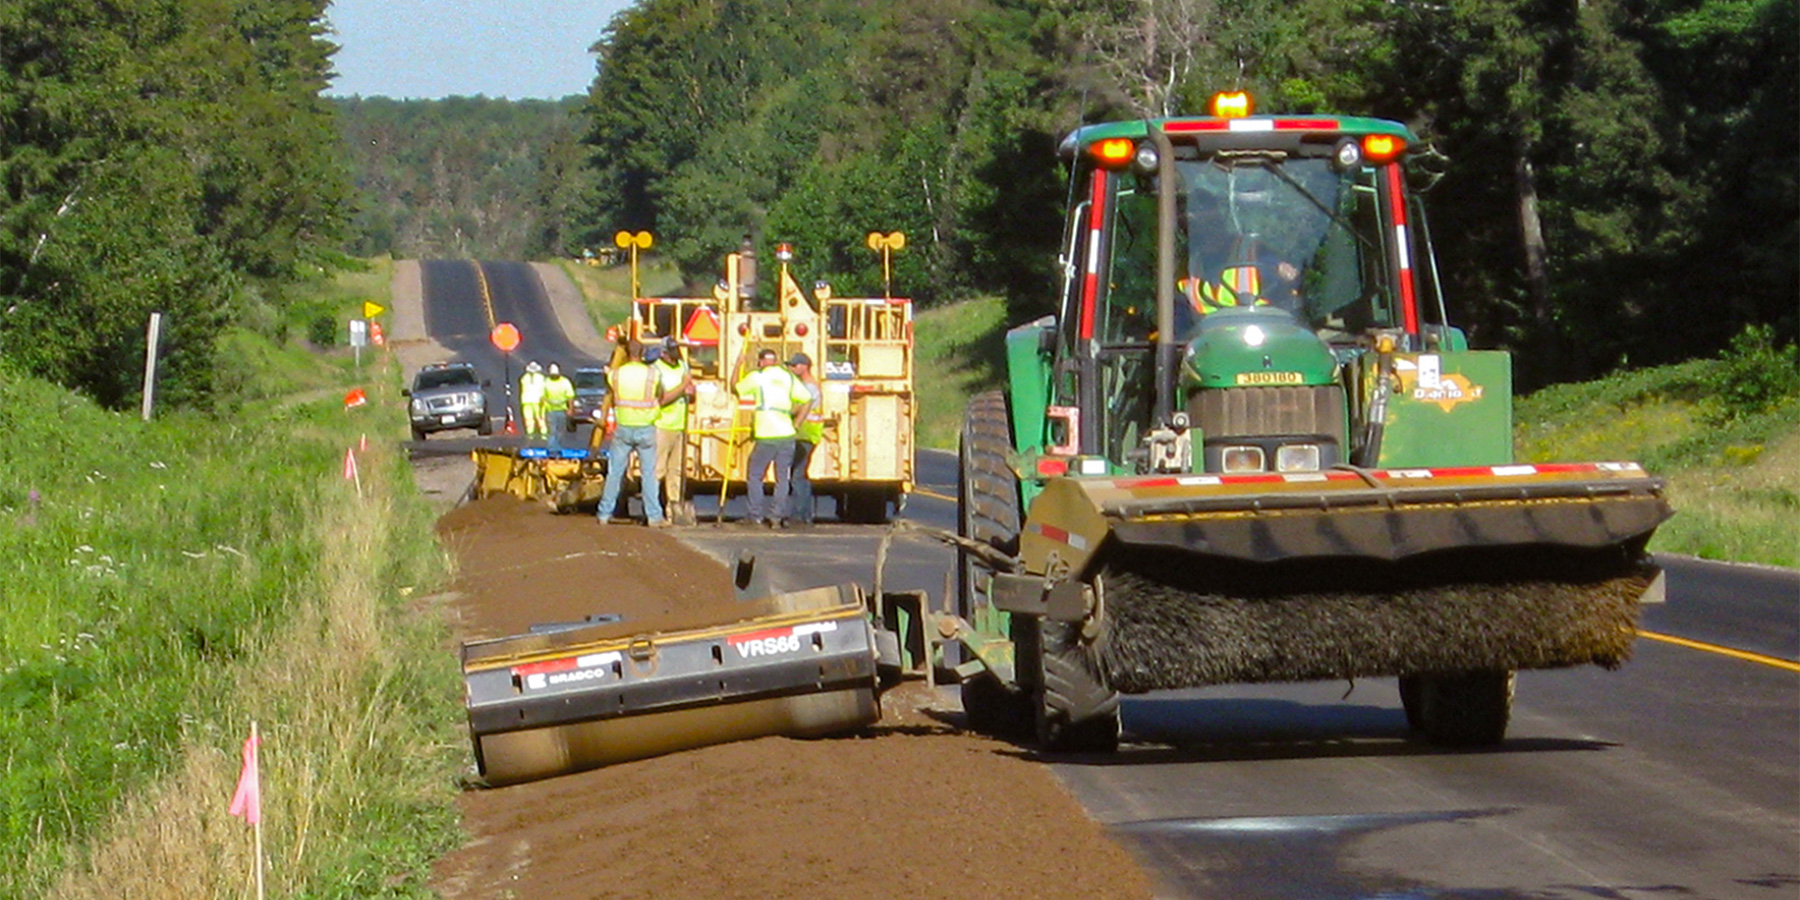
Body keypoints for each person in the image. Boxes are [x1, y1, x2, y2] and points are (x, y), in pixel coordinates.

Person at [734, 348, 811, 527]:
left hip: (766, 434)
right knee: (782, 478)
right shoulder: (788, 377)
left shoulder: (757, 377)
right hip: (787, 434)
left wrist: (738, 365)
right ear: (775, 361)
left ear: (761, 362)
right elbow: (807, 399)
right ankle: (776, 517)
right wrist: (797, 423)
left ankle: (755, 516)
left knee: (755, 475)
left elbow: (735, 388)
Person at [596, 341, 667, 527]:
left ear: (627, 354)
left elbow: (608, 382)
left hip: (623, 427)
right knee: (649, 474)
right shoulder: (653, 374)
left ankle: (604, 513)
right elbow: (661, 394)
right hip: (646, 427)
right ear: (642, 353)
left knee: (615, 473)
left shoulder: (616, 375)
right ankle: (654, 516)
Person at [650, 337, 694, 517]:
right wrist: (683, 386)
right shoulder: (656, 370)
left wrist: (691, 391)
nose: (676, 355)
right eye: (672, 352)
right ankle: (653, 508)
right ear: (663, 353)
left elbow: (690, 391)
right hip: (661, 424)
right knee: (658, 469)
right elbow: (663, 399)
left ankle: (673, 507)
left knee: (676, 471)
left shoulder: (683, 367)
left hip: (679, 425)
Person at [785, 353, 823, 527]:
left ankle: (799, 516)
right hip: (807, 435)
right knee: (801, 475)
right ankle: (805, 515)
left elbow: (800, 408)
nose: (791, 369)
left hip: (805, 435)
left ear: (804, 367)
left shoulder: (809, 388)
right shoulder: (807, 385)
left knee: (797, 476)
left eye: (794, 366)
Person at [542, 362, 575, 453]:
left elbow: (570, 396)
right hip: (550, 411)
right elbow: (543, 397)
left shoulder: (565, 382)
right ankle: (552, 448)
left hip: (562, 410)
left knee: (560, 431)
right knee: (552, 431)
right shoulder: (546, 382)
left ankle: (558, 446)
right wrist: (542, 409)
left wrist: (570, 409)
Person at [519, 361, 547, 441]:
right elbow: (544, 389)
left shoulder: (524, 378)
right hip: (539, 400)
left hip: (526, 401)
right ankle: (543, 434)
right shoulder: (541, 378)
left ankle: (530, 434)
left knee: (528, 418)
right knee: (541, 418)